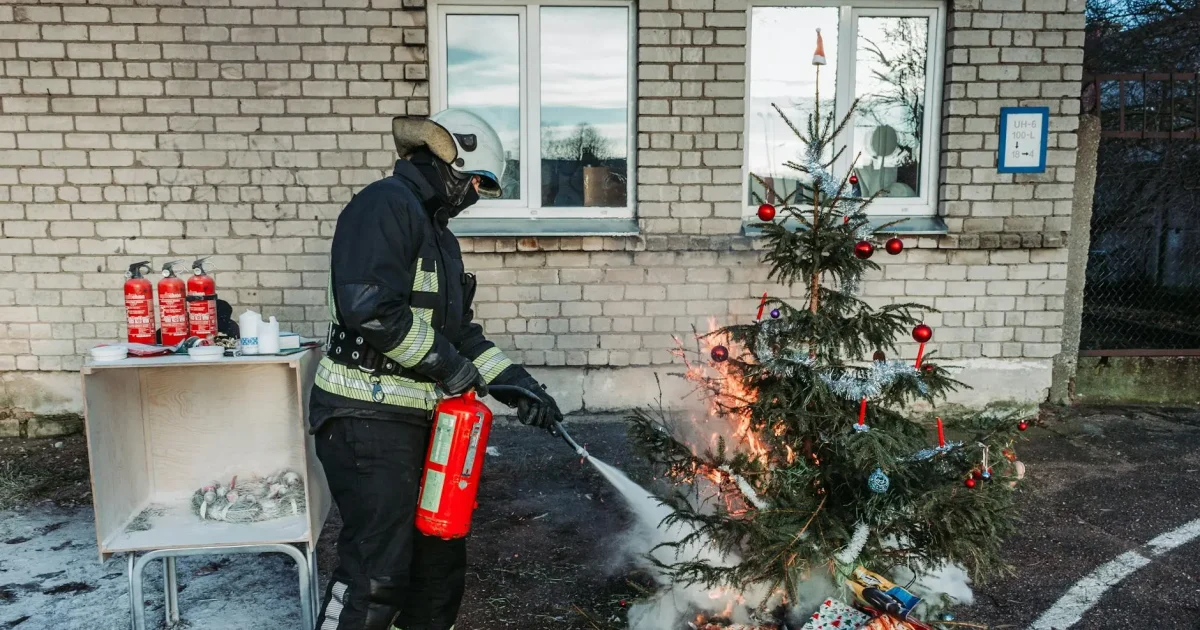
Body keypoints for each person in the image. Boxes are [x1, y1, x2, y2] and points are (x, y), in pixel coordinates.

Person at [309, 108, 563, 630]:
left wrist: (514, 383)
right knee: (377, 576)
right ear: (451, 163)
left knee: (437, 574)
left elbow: (457, 331)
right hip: (365, 418)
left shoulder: (437, 234)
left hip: (422, 421)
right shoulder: (383, 205)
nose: (476, 195)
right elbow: (369, 307)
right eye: (478, 181)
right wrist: (451, 369)